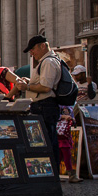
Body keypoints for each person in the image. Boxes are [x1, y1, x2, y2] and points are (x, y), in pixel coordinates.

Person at [21, 36, 62, 169]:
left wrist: (26, 87)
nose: (32, 53)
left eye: (33, 49)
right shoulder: (45, 61)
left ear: (42, 46)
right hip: (42, 106)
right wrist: (30, 81)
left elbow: (46, 87)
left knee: (48, 142)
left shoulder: (48, 62)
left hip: (45, 106)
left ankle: (52, 174)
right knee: (46, 141)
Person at [56, 106, 81, 183]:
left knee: (60, 156)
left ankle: (57, 174)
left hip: (63, 135)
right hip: (62, 135)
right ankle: (71, 175)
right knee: (66, 156)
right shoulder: (60, 106)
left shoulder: (68, 107)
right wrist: (64, 116)